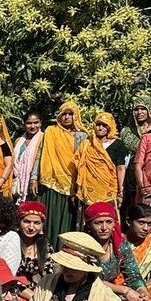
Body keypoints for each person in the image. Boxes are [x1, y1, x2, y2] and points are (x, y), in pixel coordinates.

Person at [82, 200, 151, 301]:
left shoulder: (121, 246)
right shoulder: (82, 247)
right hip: (86, 292)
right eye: (98, 223)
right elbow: (91, 280)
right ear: (89, 225)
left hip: (111, 290)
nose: (104, 227)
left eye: (109, 222)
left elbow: (133, 275)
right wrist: (126, 291)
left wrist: (142, 292)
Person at [34, 101, 86, 248]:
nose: (67, 117)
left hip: (71, 185)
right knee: (48, 219)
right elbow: (40, 155)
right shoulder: (51, 132)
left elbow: (83, 162)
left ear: (76, 116)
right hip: (49, 185)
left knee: (66, 221)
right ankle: (44, 251)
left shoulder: (82, 136)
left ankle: (61, 252)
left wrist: (79, 187)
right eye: (64, 114)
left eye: (70, 114)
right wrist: (33, 178)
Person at [74, 111, 127, 209]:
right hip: (88, 190)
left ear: (110, 127)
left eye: (104, 125)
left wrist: (120, 192)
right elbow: (79, 167)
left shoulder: (118, 144)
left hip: (109, 188)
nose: (100, 128)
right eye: (98, 125)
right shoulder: (86, 144)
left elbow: (120, 168)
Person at [15, 201, 51, 286]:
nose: (31, 227)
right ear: (19, 222)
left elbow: (49, 275)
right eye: (27, 221)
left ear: (42, 225)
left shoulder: (46, 246)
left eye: (36, 223)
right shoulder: (11, 243)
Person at [12, 112, 43, 199]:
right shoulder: (19, 140)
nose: (32, 126)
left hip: (35, 182)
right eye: (29, 123)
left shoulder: (44, 138)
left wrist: (34, 179)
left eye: (36, 123)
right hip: (17, 180)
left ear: (40, 123)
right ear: (24, 124)